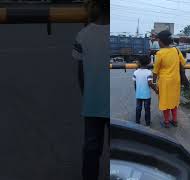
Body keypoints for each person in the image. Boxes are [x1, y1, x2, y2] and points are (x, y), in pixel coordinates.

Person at [72, 0, 109, 179]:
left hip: (93, 102)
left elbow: (81, 72)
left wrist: (86, 95)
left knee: (91, 148)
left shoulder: (83, 35)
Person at [153, 30, 186, 128]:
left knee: (165, 101)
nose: (158, 42)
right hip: (176, 81)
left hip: (164, 82)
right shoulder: (176, 50)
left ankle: (166, 122)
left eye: (158, 40)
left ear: (162, 41)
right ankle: (175, 121)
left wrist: (154, 83)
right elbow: (183, 63)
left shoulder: (159, 53)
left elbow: (155, 70)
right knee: (174, 101)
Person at [133, 56, 158, 126]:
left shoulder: (135, 72)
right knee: (147, 109)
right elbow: (150, 83)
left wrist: (136, 91)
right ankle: (148, 123)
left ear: (139, 63)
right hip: (147, 95)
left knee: (138, 108)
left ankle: (137, 122)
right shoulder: (149, 72)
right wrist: (155, 89)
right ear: (148, 63)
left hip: (138, 94)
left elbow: (134, 83)